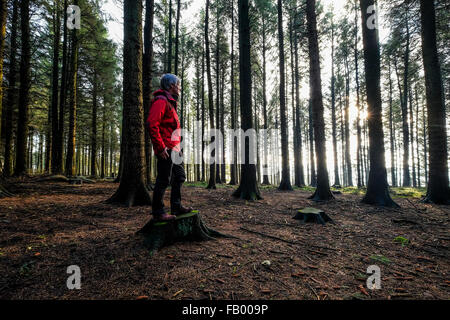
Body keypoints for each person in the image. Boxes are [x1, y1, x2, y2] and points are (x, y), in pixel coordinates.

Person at [147, 74, 193, 221]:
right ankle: (158, 212)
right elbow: (151, 124)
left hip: (175, 148)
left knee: (179, 176)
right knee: (163, 180)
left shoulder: (171, 102)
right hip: (166, 149)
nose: (180, 87)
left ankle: (176, 207)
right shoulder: (161, 101)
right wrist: (160, 148)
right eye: (178, 85)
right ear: (171, 86)